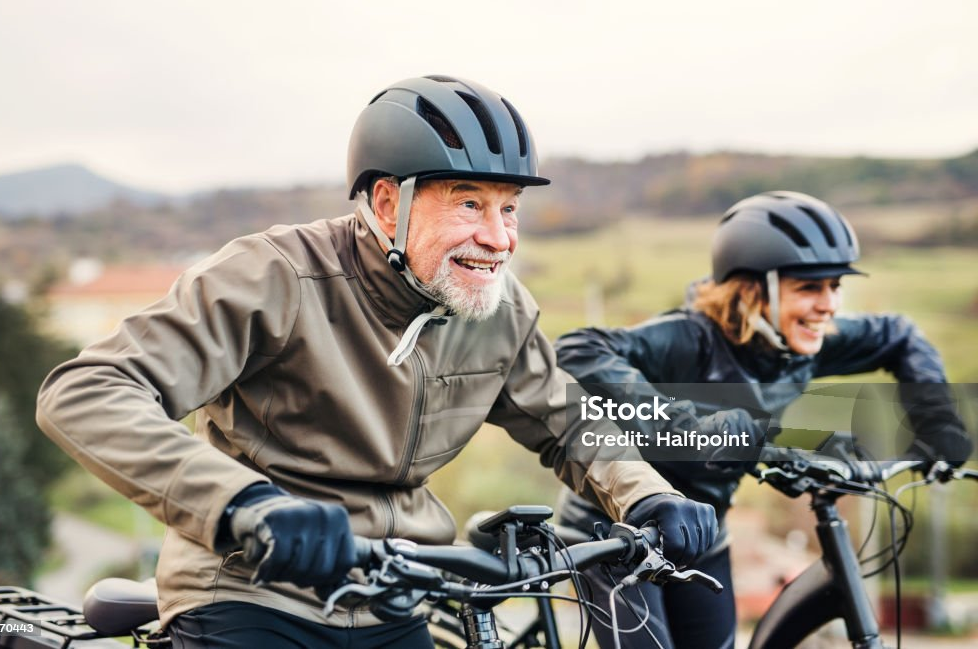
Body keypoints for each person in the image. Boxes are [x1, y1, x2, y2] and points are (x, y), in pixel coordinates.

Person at [35, 75, 717, 649]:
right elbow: (87, 390)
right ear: (389, 202)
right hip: (252, 591)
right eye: (470, 203)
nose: (499, 237)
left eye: (510, 209)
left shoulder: (497, 309)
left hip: (397, 593)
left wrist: (648, 494)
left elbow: (569, 424)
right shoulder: (275, 277)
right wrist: (246, 504)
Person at [555, 191, 973, 649]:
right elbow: (577, 352)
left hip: (703, 529)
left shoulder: (804, 342)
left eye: (835, 286)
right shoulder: (691, 338)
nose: (830, 304)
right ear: (755, 290)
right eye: (809, 288)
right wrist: (686, 429)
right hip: (622, 529)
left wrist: (940, 426)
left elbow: (899, 335)